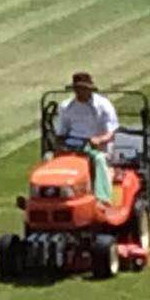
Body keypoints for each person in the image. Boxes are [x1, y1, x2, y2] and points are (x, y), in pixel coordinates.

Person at [54, 71, 118, 204]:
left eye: (82, 89)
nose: (79, 92)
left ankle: (102, 197)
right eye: (77, 89)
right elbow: (61, 132)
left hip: (99, 146)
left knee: (98, 159)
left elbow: (111, 131)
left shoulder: (103, 105)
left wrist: (99, 140)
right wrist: (60, 143)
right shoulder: (66, 107)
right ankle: (56, 194)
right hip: (73, 144)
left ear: (89, 89)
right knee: (50, 159)